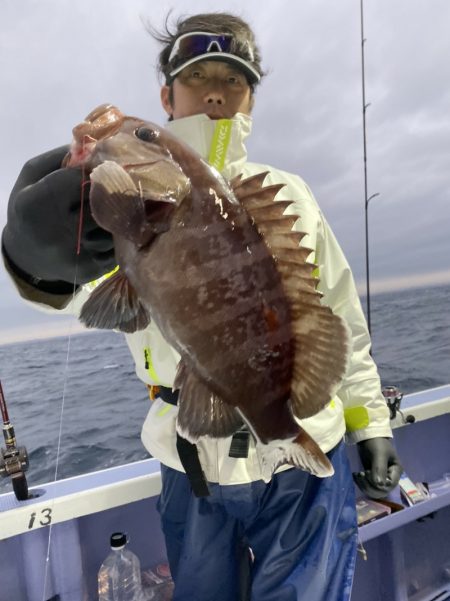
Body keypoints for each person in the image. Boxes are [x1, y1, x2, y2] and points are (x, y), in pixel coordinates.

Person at [2, 12, 402, 601]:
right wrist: (34, 259)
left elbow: (338, 317)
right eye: (198, 76)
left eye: (233, 81)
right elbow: (72, 297)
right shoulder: (120, 195)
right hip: (191, 469)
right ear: (167, 94)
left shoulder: (288, 193)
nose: (216, 91)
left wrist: (370, 423)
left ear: (251, 102)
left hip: (306, 462)